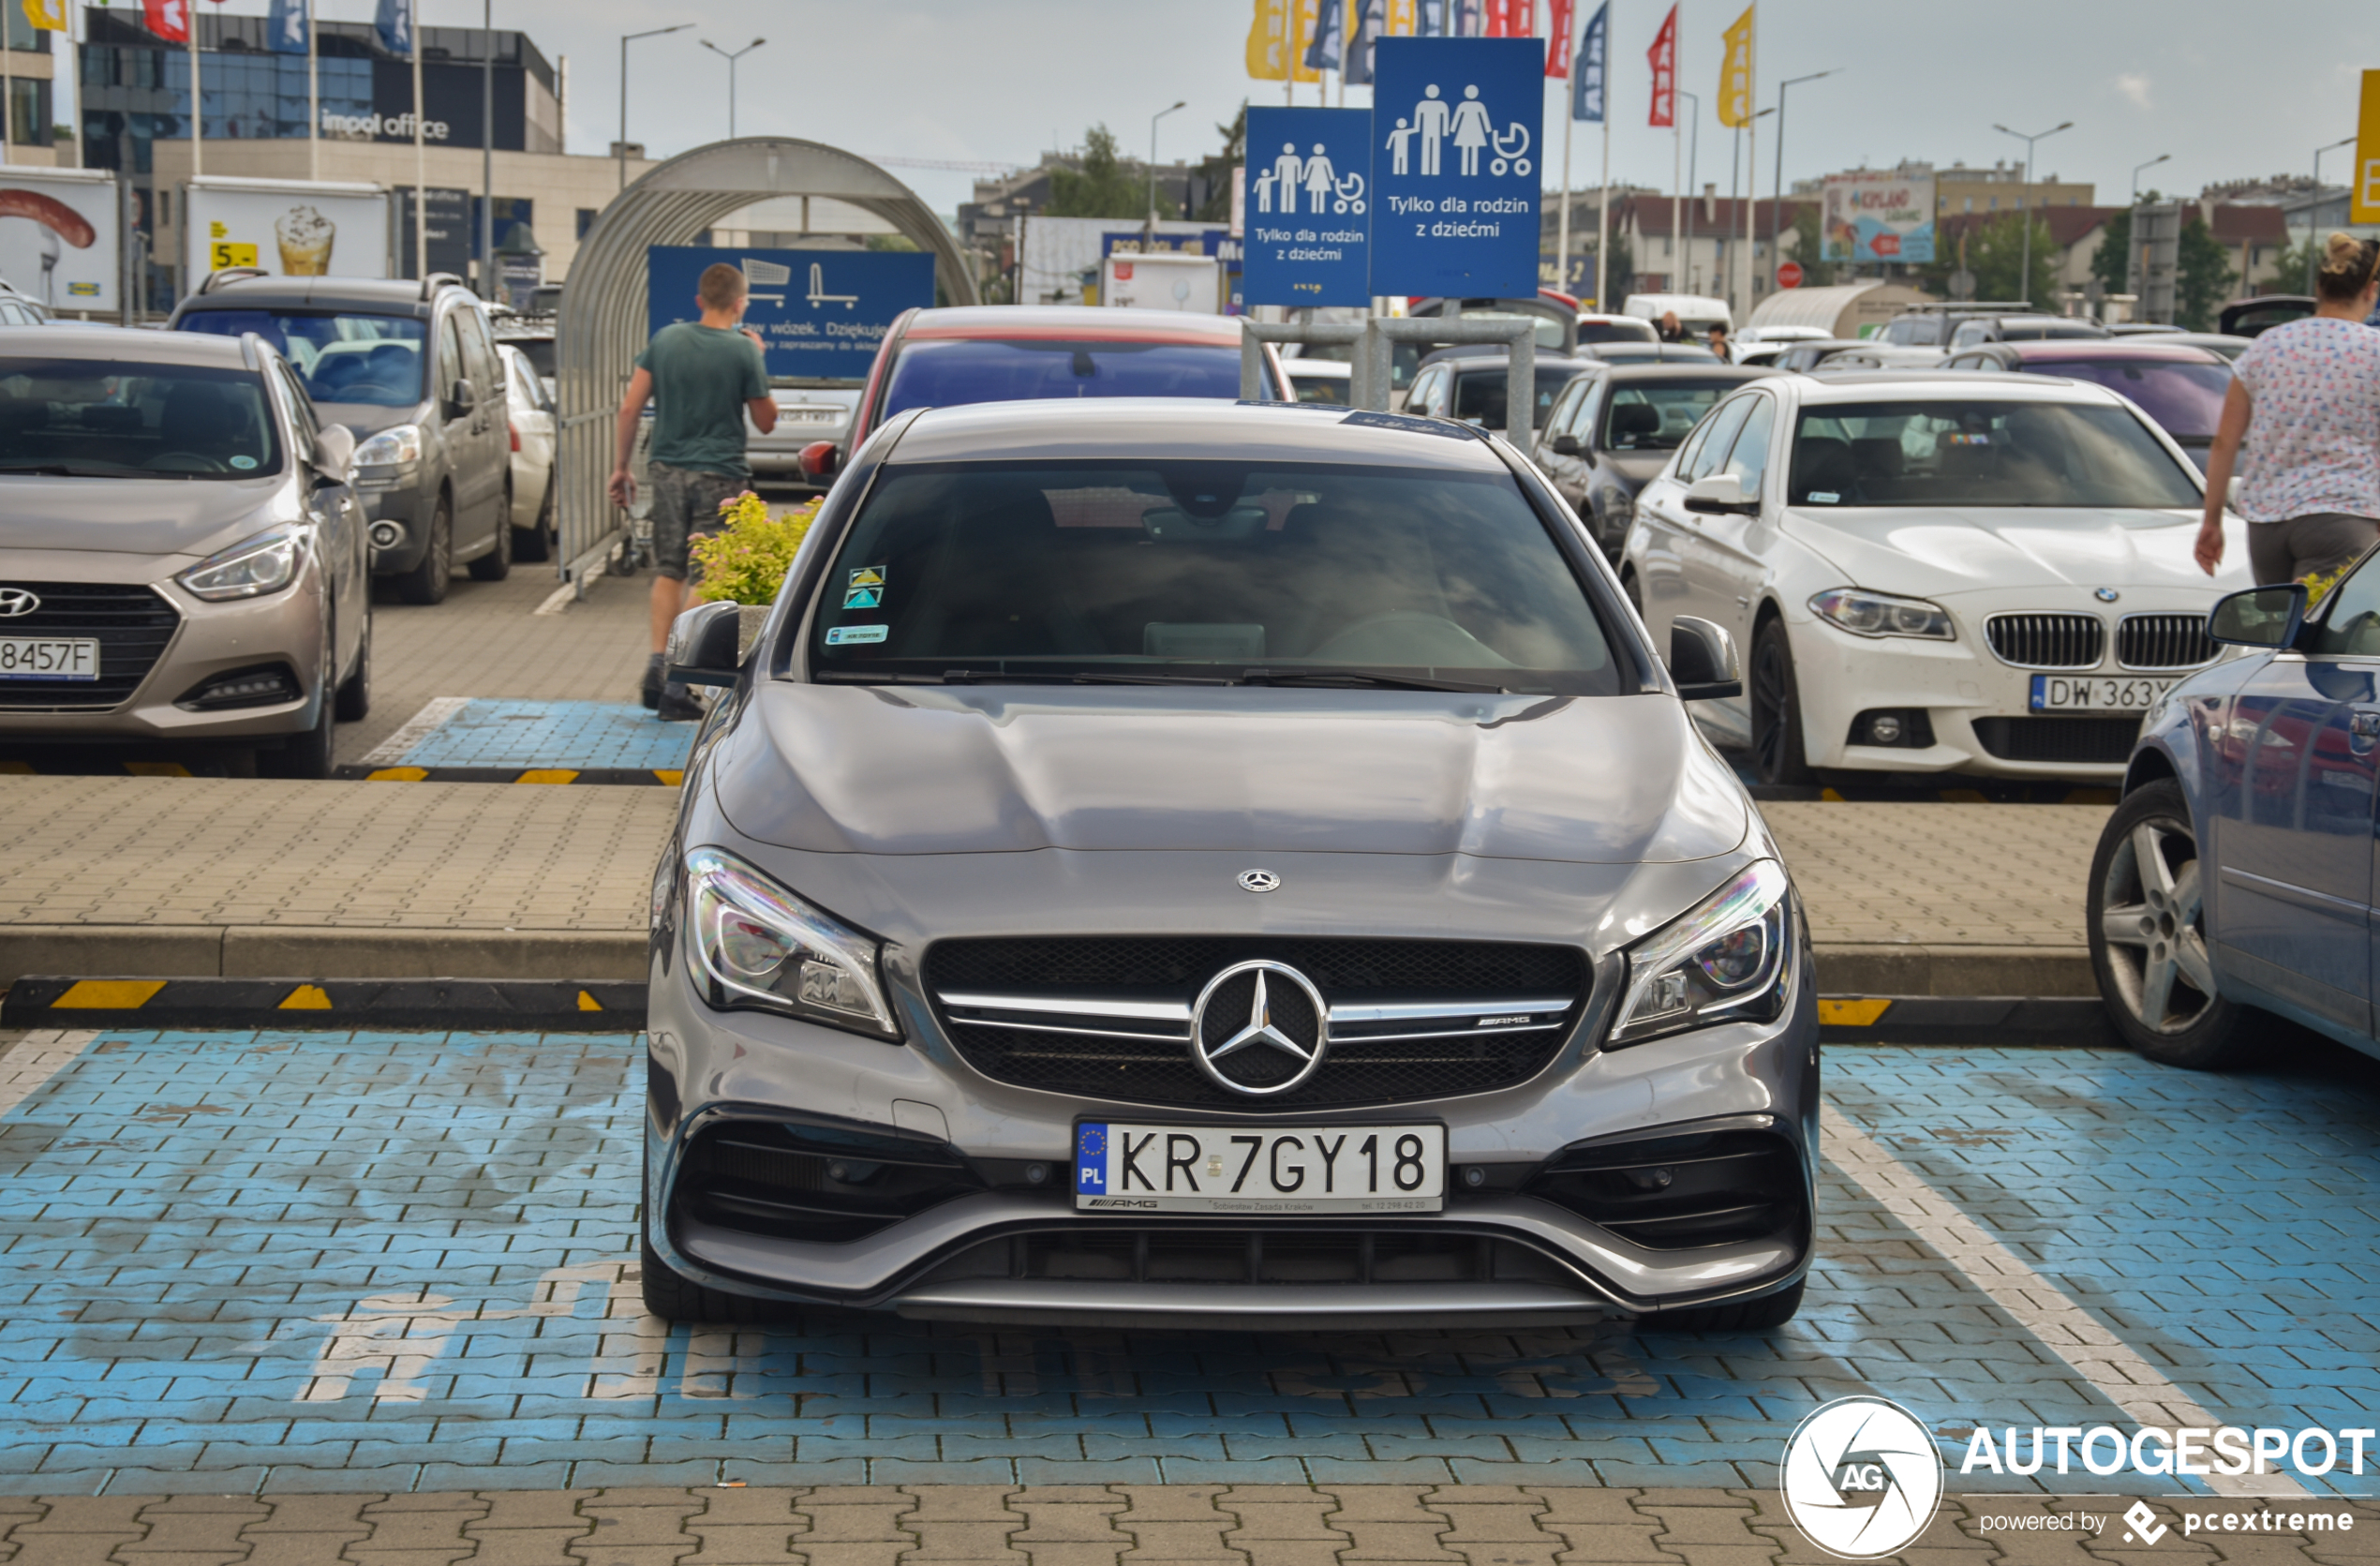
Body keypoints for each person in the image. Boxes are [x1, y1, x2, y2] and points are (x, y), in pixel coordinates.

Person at [609, 262, 778, 720]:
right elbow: (766, 421)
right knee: (709, 574)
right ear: (740, 304)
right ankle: (679, 684)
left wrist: (622, 468)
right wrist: (758, 357)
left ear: (700, 301)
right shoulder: (743, 352)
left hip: (665, 469)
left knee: (668, 570)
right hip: (720, 475)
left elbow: (629, 408)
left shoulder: (666, 340)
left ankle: (656, 666)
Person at [2196, 233, 2380, 587]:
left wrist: (2212, 522)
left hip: (2267, 525)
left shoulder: (2266, 346)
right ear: (2371, 291)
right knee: (2327, 637)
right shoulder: (2374, 351)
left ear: (2319, 287)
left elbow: (2224, 443)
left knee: (2278, 632)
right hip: (2342, 517)